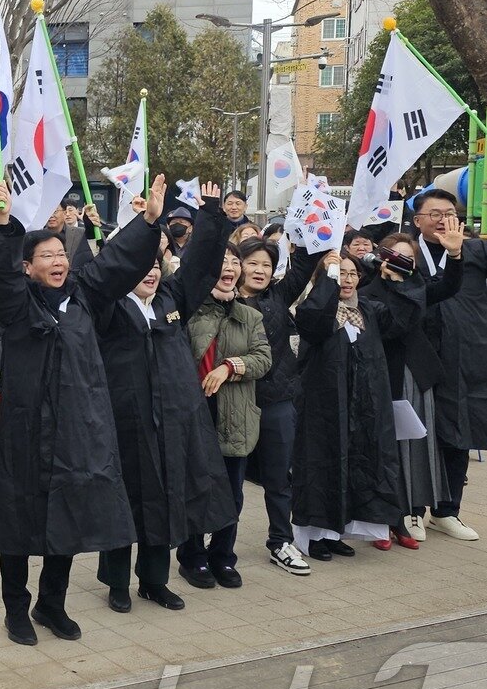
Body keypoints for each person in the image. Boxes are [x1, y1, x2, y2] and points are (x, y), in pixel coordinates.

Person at [0, 178, 166, 643]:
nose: (58, 261)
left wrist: (147, 223)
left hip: (78, 430)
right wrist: (3, 223)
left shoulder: (84, 297)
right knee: (20, 522)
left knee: (67, 518)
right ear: (28, 267)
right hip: (27, 434)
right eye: (45, 256)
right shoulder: (18, 307)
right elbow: (0, 279)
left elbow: (117, 264)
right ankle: (16, 610)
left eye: (61, 254)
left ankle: (52, 604)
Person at [95, 184, 236, 611]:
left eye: (156, 265)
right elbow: (109, 271)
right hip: (126, 421)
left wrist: (210, 215)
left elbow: (199, 267)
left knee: (166, 499)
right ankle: (118, 584)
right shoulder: (108, 306)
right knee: (127, 503)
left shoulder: (172, 301)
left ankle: (154, 581)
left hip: (172, 422)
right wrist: (142, 228)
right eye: (142, 267)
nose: (151, 274)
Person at [410, 188, 487, 540]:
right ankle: (412, 510)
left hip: (466, 355)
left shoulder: (476, 248)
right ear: (418, 219)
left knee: (458, 434)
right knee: (418, 433)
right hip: (418, 356)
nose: (442, 218)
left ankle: (447, 510)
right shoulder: (408, 250)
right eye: (434, 213)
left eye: (449, 211)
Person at [292, 254, 424, 557]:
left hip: (361, 407)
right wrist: (329, 274)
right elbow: (315, 322)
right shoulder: (315, 311)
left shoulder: (369, 310)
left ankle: (337, 531)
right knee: (321, 467)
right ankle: (314, 537)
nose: (347, 280)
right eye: (341, 274)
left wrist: (399, 280)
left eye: (352, 274)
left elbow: (402, 320)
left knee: (355, 465)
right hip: (323, 408)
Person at [179, 244, 271, 586]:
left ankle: (223, 557)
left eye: (234, 261)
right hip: (196, 412)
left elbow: (264, 358)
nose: (229, 267)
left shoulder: (250, 316)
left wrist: (231, 366)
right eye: (222, 261)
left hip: (235, 415)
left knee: (232, 492)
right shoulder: (189, 311)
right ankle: (192, 558)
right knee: (196, 488)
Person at [368, 231, 465, 547]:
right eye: (393, 255)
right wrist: (393, 285)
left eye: (406, 257)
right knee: (386, 449)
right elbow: (388, 327)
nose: (399, 261)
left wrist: (453, 256)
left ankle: (414, 512)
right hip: (384, 377)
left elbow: (449, 286)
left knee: (418, 446)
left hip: (418, 375)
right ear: (381, 256)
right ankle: (385, 517)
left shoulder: (418, 286)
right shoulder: (368, 289)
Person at [234, 237, 321, 574]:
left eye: (266, 265)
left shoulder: (278, 296)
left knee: (279, 479)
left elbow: (304, 263)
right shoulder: (220, 300)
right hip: (235, 403)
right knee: (231, 481)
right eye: (252, 263)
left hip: (278, 401)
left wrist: (308, 221)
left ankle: (281, 541)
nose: (259, 270)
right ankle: (221, 543)